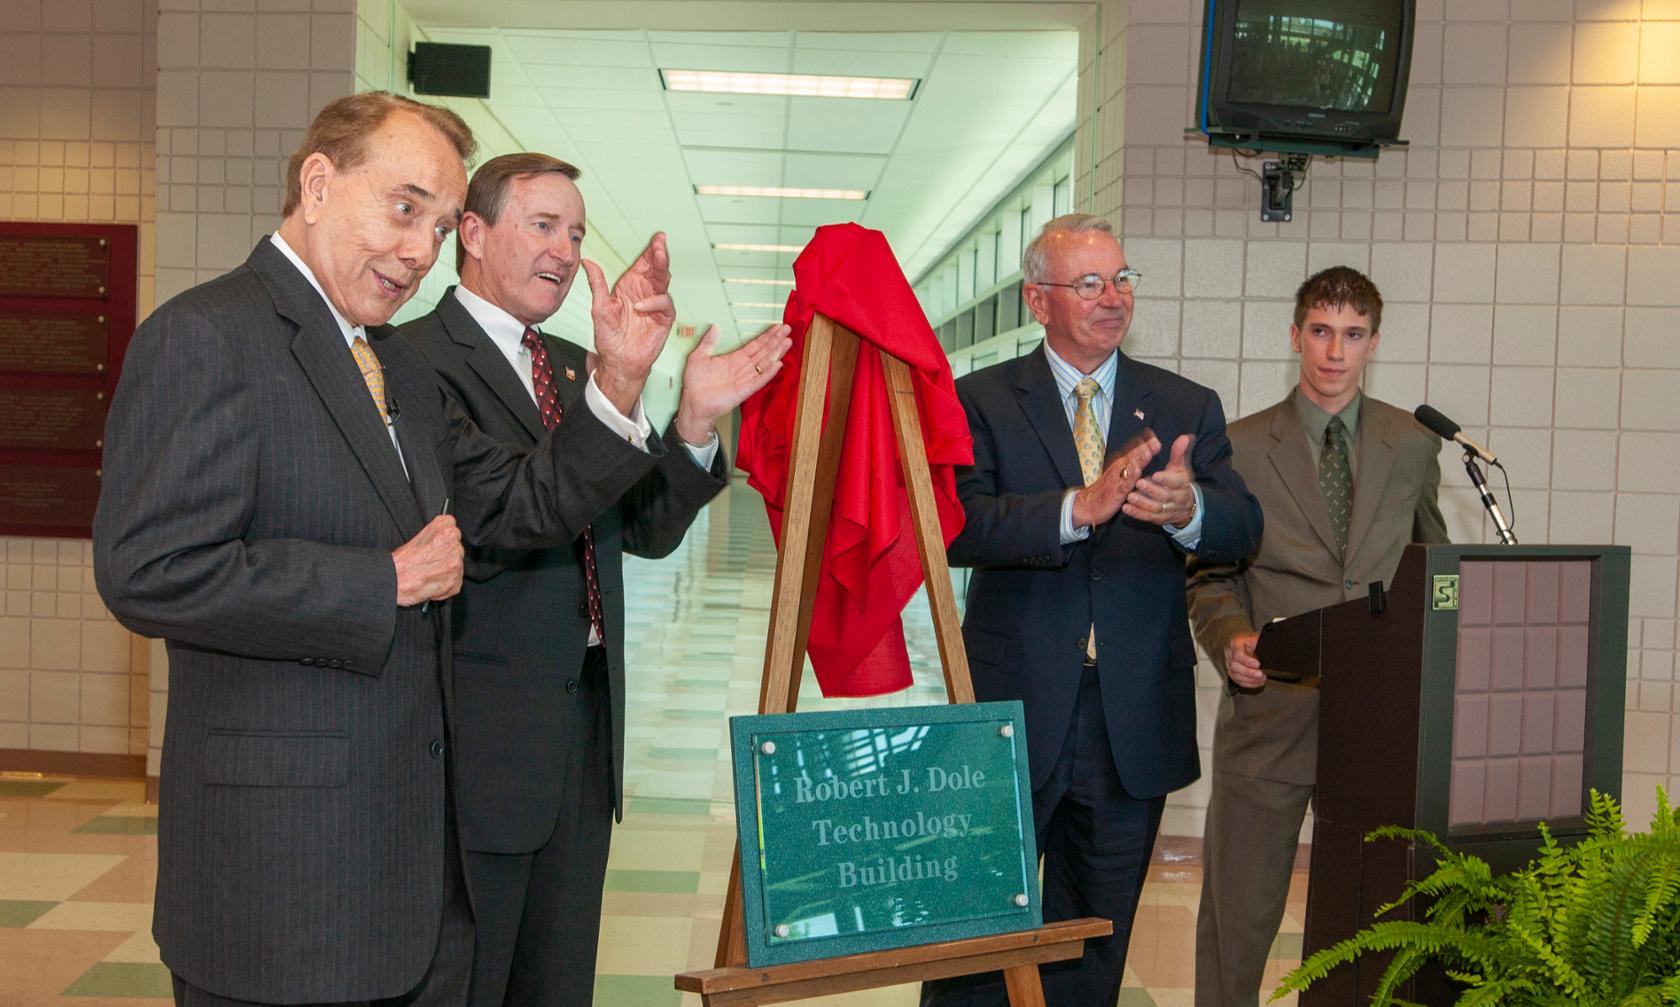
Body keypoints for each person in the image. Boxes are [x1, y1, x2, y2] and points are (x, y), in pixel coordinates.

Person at [92, 92, 680, 1006]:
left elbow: (516, 504)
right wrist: (382, 581)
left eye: (440, 226)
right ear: (317, 183)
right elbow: (150, 570)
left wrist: (619, 383)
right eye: (404, 208)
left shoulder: (395, 359)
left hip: (416, 873)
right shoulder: (207, 335)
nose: (419, 251)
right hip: (284, 872)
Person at [399, 152, 790, 1006]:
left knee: (556, 979)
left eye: (576, 233)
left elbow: (643, 527)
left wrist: (691, 421)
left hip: (581, 733)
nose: (567, 250)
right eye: (542, 225)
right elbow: (510, 512)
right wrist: (619, 389)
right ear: (472, 232)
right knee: (468, 980)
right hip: (477, 743)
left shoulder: (574, 366)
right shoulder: (416, 363)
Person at [924, 213, 1263, 1007]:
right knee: (975, 942)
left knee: (1090, 951)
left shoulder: (1184, 405)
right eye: (1089, 284)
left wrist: (1187, 510)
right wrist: (1079, 506)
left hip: (1129, 722)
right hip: (1010, 710)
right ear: (1038, 301)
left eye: (1122, 280)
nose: (1113, 299)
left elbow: (1243, 526)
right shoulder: (979, 400)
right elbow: (958, 526)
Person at [1188, 266, 1449, 1007]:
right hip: (1271, 707)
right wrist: (1231, 636)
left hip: (1376, 725)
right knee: (1236, 920)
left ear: (1374, 342)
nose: (1335, 351)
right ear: (1296, 334)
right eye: (1322, 331)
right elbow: (1210, 576)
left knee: (1370, 922)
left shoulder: (1412, 444)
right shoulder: (1236, 447)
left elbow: (1434, 569)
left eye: (1353, 334)